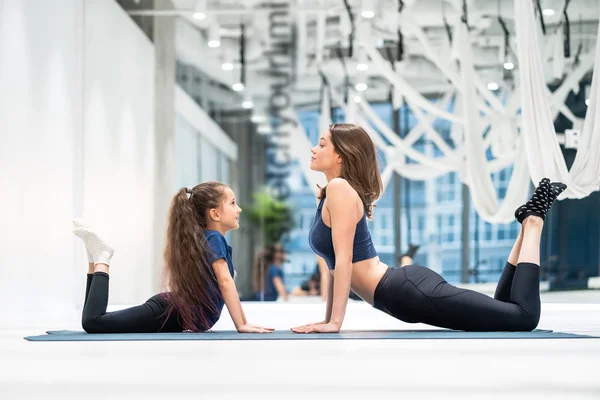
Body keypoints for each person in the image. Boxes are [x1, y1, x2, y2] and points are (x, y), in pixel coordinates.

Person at [291, 123, 566, 333]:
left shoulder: (339, 188)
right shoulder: (330, 192)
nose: (314, 149)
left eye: (322, 144)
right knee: (504, 310)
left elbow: (343, 259)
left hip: (405, 291)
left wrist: (335, 322)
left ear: (341, 155)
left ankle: (533, 223)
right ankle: (525, 225)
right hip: (400, 291)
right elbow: (334, 267)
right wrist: (327, 320)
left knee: (524, 317)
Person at [74, 181, 274, 334]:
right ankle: (101, 258)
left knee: (94, 321)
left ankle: (94, 259)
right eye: (233, 203)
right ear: (215, 214)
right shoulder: (213, 238)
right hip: (170, 311)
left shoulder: (211, 241)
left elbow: (222, 283)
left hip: (173, 310)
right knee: (94, 322)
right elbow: (225, 281)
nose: (238, 209)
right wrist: (242, 324)